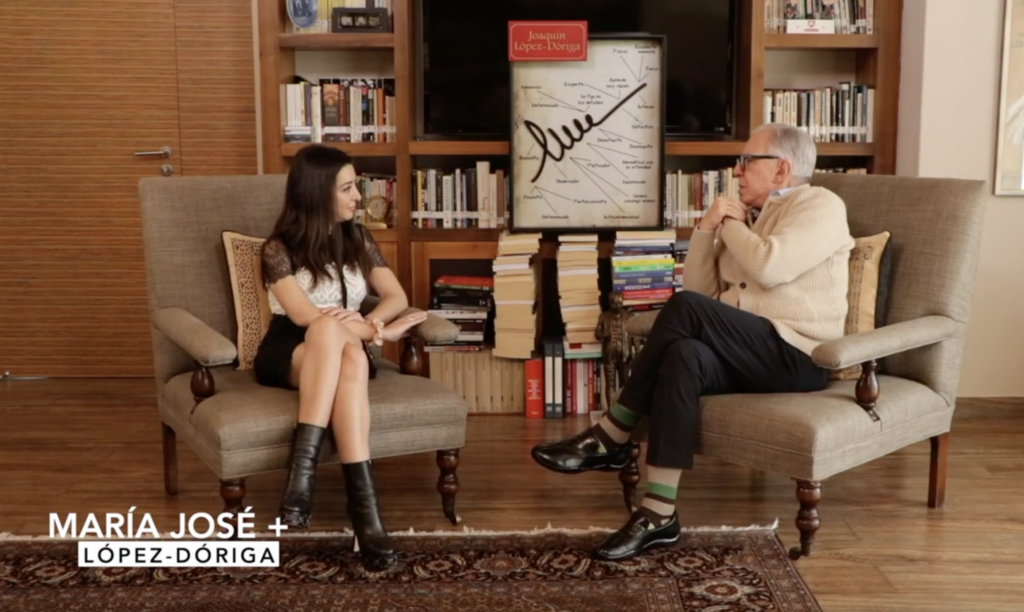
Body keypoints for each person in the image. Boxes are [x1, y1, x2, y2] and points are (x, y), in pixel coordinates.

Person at [531, 123, 855, 561]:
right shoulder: (747, 217)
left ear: (781, 169)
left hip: (797, 354)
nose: (736, 171)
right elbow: (701, 292)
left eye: (747, 161)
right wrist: (705, 228)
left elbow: (768, 266)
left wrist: (732, 224)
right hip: (745, 351)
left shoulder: (819, 205)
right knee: (683, 354)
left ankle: (613, 432)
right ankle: (658, 513)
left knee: (684, 309)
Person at [255, 144, 427, 571]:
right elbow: (305, 317)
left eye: (356, 186)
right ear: (318, 193)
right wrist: (379, 332)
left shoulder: (358, 238)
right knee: (327, 329)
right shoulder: (278, 248)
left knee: (350, 357)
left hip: (349, 346)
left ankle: (313, 486)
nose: (357, 197)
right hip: (291, 349)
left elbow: (396, 297)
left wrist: (371, 322)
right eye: (347, 188)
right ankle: (362, 513)